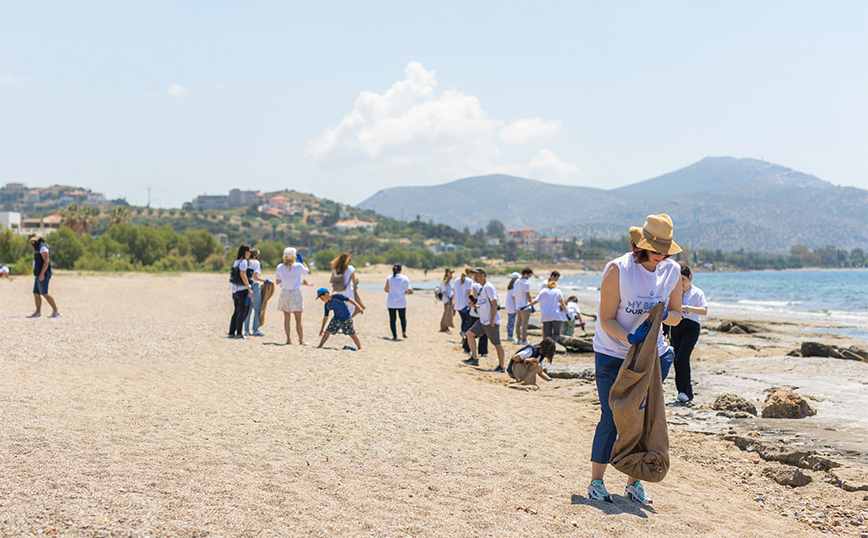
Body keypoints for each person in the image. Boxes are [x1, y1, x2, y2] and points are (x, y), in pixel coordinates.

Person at [588, 214, 683, 506]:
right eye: (656, 250)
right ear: (640, 245)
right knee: (611, 415)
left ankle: (634, 483)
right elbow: (606, 319)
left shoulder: (672, 271)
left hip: (651, 356)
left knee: (643, 420)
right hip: (612, 353)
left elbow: (677, 315)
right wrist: (630, 337)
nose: (661, 256)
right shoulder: (618, 269)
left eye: (665, 251)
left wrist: (662, 316)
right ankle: (596, 481)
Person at [671, 265, 707, 403]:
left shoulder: (697, 292)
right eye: (678, 279)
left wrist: (686, 307)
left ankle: (686, 392)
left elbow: (704, 311)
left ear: (690, 277)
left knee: (682, 358)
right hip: (676, 326)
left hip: (691, 327)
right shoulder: (674, 292)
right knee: (676, 359)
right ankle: (682, 392)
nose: (681, 283)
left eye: (683, 279)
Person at [463, 268, 506, 372]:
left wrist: (492, 320)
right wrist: (474, 306)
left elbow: (495, 304)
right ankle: (474, 358)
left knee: (497, 344)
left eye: (477, 275)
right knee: (469, 334)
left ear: (483, 275)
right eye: (474, 275)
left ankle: (501, 366)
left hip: (490, 321)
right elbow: (484, 305)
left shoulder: (489, 287)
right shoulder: (482, 288)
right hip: (482, 320)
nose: (475, 277)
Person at [275, 247, 309, 345]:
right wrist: (302, 261)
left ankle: (288, 339)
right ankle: (301, 340)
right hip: (295, 293)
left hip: (284, 293)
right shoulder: (298, 266)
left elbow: (278, 281)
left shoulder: (280, 267)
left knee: (287, 318)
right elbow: (306, 271)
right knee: (298, 319)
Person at [27, 233, 60, 318]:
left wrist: (42, 273)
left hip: (43, 274)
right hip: (38, 274)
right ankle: (38, 312)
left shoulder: (42, 247)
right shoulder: (37, 248)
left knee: (44, 293)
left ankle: (56, 311)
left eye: (32, 241)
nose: (31, 243)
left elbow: (46, 260)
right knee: (36, 293)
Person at [462, 268, 488, 357]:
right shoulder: (484, 286)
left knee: (470, 331)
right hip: (479, 313)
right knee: (482, 333)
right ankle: (483, 351)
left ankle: (467, 348)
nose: (475, 277)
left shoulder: (476, 286)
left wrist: (472, 304)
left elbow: (473, 297)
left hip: (475, 313)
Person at [228, 244, 253, 339]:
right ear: (246, 252)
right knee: (242, 312)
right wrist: (249, 287)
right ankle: (239, 333)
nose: (250, 253)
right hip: (242, 290)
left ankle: (231, 332)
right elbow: (243, 275)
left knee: (236, 311)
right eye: (249, 251)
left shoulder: (236, 261)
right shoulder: (244, 262)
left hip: (235, 290)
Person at [243, 248, 267, 337]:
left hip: (246, 286)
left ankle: (246, 330)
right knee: (257, 309)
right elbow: (255, 277)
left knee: (248, 310)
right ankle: (255, 329)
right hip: (255, 287)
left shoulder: (246, 262)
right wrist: (265, 280)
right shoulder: (256, 263)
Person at [385, 263, 412, 340]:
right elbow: (408, 290)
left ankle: (395, 335)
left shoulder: (389, 278)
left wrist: (392, 292)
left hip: (391, 302)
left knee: (392, 319)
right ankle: (404, 332)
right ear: (401, 270)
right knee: (402, 317)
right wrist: (403, 292)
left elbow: (386, 289)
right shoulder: (405, 278)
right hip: (401, 301)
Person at [330, 252, 359, 317]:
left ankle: (341, 321)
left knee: (341, 310)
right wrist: (357, 282)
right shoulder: (350, 268)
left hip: (337, 292)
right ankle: (346, 321)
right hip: (348, 292)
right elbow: (354, 281)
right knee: (351, 308)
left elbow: (331, 281)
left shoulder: (335, 269)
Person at [453, 268, 475, 347]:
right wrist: (470, 301)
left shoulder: (456, 280)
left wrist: (453, 303)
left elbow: (454, 292)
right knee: (467, 320)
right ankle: (464, 333)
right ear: (469, 273)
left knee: (463, 320)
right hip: (465, 304)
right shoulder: (469, 281)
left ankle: (463, 334)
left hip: (458, 304)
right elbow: (468, 293)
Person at [513, 267, 534, 345]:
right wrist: (531, 304)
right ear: (525, 274)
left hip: (518, 306)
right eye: (529, 275)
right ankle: (524, 339)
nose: (529, 277)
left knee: (518, 323)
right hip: (525, 306)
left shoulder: (516, 282)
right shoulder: (525, 283)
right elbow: (527, 294)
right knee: (524, 323)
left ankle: (519, 338)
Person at [437, 269, 454, 333]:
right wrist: (448, 297)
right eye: (450, 273)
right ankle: (444, 327)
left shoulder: (448, 281)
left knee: (448, 313)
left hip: (448, 299)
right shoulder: (444, 281)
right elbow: (443, 291)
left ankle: (446, 327)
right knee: (446, 313)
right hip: (446, 299)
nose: (451, 274)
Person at [505, 272, 519, 342]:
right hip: (512, 306)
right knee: (511, 322)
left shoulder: (510, 287)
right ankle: (510, 336)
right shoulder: (514, 287)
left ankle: (509, 335)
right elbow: (514, 297)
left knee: (510, 321)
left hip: (509, 306)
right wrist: (517, 306)